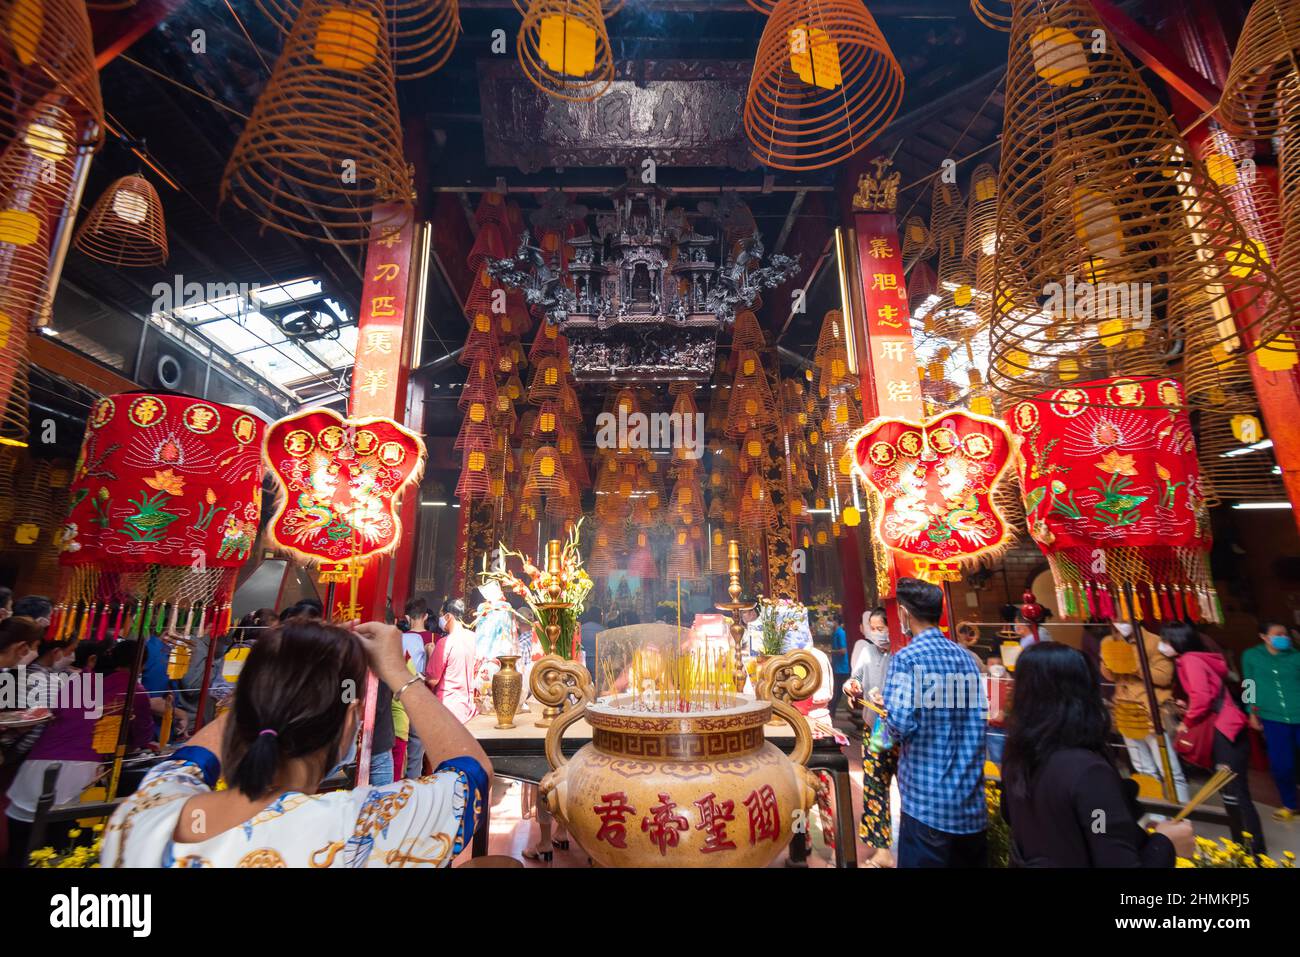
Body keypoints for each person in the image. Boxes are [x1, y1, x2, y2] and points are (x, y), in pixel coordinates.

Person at [100, 617, 491, 867]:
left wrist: (280, 671)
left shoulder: (143, 814)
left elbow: (189, 759)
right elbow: (472, 772)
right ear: (348, 724)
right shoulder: (358, 827)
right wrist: (395, 671)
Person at [1001, 642, 1194, 866]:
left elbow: (1091, 825)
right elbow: (1114, 856)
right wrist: (1166, 843)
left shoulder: (1017, 754)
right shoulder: (1087, 771)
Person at [7, 639, 155, 866]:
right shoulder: (135, 690)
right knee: (64, 847)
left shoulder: (81, 680)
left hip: (36, 766)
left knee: (20, 847)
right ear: (142, 665)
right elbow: (142, 737)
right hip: (80, 774)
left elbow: (61, 716)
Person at [882, 578, 988, 867]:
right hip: (970, 804)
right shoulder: (966, 659)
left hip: (927, 805)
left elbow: (898, 727)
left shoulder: (907, 659)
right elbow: (980, 716)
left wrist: (885, 716)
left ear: (904, 613)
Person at [1161, 620, 1266, 854]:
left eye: (1165, 640)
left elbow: (1203, 698)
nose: (1163, 645)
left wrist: (1185, 724)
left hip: (1224, 731)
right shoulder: (1200, 658)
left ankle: (1254, 852)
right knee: (1233, 793)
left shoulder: (1190, 660)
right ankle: (1245, 846)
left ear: (1177, 641)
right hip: (1229, 727)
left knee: (1235, 793)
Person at [1099, 621, 1189, 803]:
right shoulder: (1109, 641)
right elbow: (1109, 675)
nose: (1120, 624)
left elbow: (1164, 677)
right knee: (1144, 771)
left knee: (1170, 771)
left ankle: (1181, 817)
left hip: (1151, 711)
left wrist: (1132, 666)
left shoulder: (1154, 641)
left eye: (1124, 619)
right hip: (1125, 711)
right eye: (1116, 619)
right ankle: (1157, 817)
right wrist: (1107, 662)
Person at [843, 607, 894, 866]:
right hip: (875, 728)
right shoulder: (867, 652)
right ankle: (881, 850)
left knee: (906, 787)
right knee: (875, 786)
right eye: (872, 628)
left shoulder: (903, 652)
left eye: (880, 627)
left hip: (902, 730)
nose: (877, 633)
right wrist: (851, 687)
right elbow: (855, 680)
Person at [1241, 619, 1300, 821]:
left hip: (1298, 713)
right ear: (1264, 637)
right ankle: (1290, 804)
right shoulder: (1251, 656)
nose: (1283, 638)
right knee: (1282, 765)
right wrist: (1250, 712)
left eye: (1285, 634)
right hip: (1272, 718)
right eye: (1278, 634)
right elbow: (1248, 683)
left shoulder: (1296, 656)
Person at [396, 597, 434, 779]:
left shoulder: (399, 638)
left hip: (398, 696)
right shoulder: (433, 639)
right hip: (421, 695)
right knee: (417, 744)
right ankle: (413, 783)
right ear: (426, 616)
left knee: (396, 744)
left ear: (406, 617)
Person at [426, 598, 477, 724]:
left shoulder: (445, 643)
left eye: (441, 615)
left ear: (448, 616)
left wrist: (430, 655)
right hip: (469, 707)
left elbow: (432, 680)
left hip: (448, 706)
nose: (440, 619)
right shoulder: (474, 638)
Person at [828, 612, 849, 718]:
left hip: (842, 668)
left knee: (837, 691)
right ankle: (832, 712)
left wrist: (831, 651)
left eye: (832, 621)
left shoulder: (840, 633)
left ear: (836, 622)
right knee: (836, 691)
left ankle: (832, 712)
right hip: (837, 667)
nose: (830, 623)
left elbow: (843, 650)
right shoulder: (836, 633)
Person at [580, 606, 605, 684]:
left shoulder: (581, 628)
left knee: (583, 683)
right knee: (596, 683)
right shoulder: (602, 629)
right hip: (596, 660)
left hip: (582, 660)